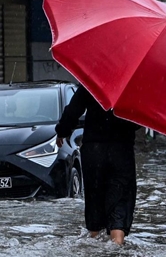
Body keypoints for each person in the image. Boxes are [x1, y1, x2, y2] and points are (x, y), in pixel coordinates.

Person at [55, 85, 140, 245]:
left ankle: (94, 248)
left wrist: (62, 131)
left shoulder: (93, 80)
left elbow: (73, 109)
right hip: (122, 151)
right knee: (120, 205)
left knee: (95, 204)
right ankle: (116, 247)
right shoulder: (132, 86)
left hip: (94, 152)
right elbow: (139, 120)